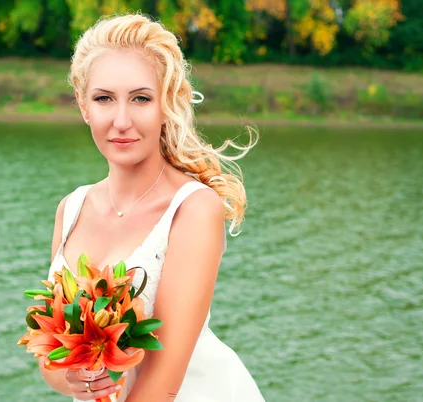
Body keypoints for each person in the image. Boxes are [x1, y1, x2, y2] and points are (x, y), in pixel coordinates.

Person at [39, 13, 264, 402]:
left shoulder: (193, 209)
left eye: (141, 98)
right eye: (104, 98)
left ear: (167, 104)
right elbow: (52, 358)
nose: (121, 120)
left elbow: (162, 383)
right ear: (83, 105)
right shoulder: (71, 208)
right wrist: (76, 379)